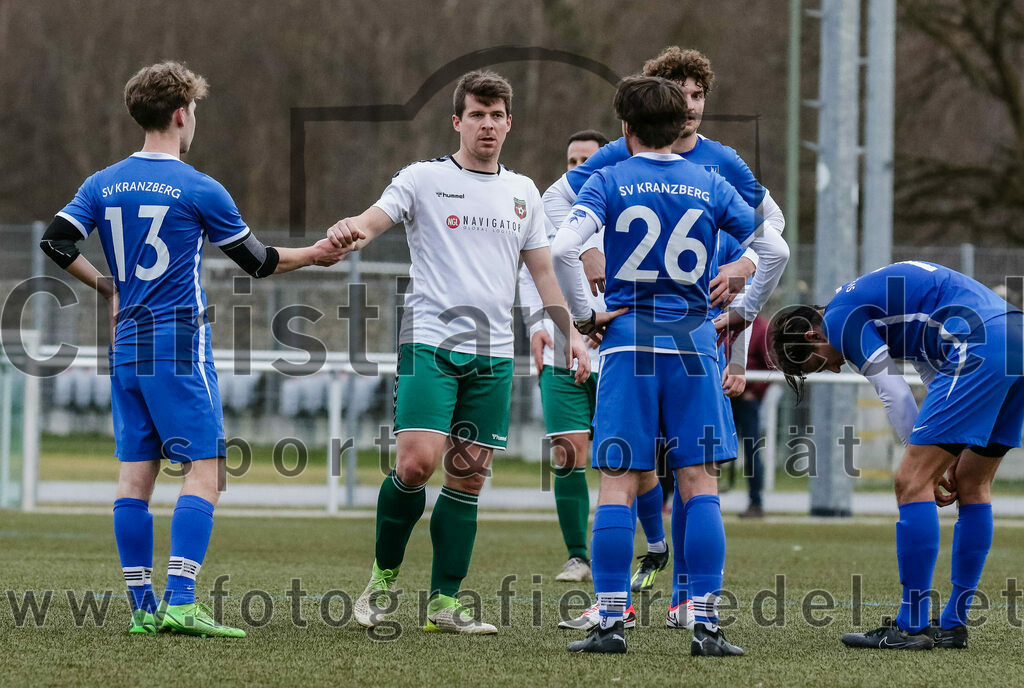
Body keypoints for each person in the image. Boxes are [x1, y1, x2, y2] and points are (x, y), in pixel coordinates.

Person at [39, 61, 346, 638]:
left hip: (127, 350)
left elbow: (55, 242)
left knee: (135, 478)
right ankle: (182, 598)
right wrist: (318, 253)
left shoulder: (101, 183)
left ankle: (141, 609)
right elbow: (257, 261)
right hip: (179, 350)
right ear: (182, 114)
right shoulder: (199, 187)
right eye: (195, 111)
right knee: (205, 470)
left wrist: (108, 285)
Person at [326, 70, 590, 635]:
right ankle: (382, 579)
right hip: (430, 344)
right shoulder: (423, 178)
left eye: (497, 116)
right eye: (477, 114)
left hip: (494, 356)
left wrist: (572, 331)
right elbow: (376, 220)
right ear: (457, 121)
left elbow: (544, 273)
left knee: (468, 478)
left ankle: (444, 604)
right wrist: (352, 230)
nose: (487, 125)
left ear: (509, 123)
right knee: (417, 463)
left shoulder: (523, 192)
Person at [548, 46, 784, 632]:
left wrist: (585, 318)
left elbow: (559, 249)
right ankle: (703, 621)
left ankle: (609, 622)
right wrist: (740, 312)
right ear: (679, 122)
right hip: (695, 346)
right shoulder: (709, 181)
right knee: (699, 481)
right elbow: (774, 248)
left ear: (625, 128)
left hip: (627, 345)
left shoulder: (608, 178)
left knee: (619, 480)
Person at [771, 261, 1024, 650]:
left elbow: (894, 392)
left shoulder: (839, 317)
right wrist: (946, 454)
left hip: (977, 341)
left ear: (813, 334)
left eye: (818, 363)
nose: (833, 371)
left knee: (910, 481)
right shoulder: (872, 304)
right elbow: (930, 369)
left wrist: (925, 467)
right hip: (1014, 336)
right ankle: (953, 624)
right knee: (973, 482)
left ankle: (911, 627)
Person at [520, 129, 609, 586]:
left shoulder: (624, 207)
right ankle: (578, 556)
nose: (578, 169)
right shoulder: (546, 209)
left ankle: (638, 550)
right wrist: (537, 328)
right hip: (560, 355)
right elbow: (528, 272)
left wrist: (602, 325)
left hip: (615, 355)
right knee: (569, 452)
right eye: (572, 161)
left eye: (587, 160)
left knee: (627, 459)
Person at [733, 314, 770, 518]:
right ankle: (705, 498)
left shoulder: (762, 329)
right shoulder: (726, 323)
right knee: (711, 450)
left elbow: (771, 366)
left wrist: (753, 392)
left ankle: (756, 503)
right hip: (724, 397)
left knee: (752, 451)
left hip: (747, 401)